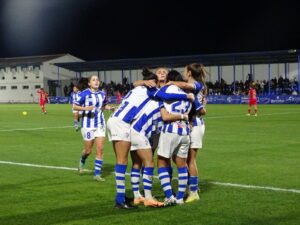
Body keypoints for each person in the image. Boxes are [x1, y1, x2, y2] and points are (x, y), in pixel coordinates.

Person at [107, 68, 194, 209]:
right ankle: (127, 199)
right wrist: (187, 97)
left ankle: (136, 196)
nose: (162, 75)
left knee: (136, 162)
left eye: (164, 73)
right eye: (159, 73)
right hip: (126, 124)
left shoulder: (146, 90)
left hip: (131, 125)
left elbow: (136, 85)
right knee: (135, 162)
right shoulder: (155, 92)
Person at [168, 63, 207, 203]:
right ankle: (190, 185)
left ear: (190, 72)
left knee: (190, 160)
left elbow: (202, 109)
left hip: (195, 125)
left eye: (185, 70)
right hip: (189, 125)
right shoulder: (192, 85)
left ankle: (194, 192)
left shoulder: (195, 85)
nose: (184, 72)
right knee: (181, 158)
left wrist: (171, 82)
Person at [156, 70, 194, 205]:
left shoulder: (166, 92)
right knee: (182, 166)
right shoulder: (187, 95)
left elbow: (165, 116)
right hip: (185, 133)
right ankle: (179, 199)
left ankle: (169, 196)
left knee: (161, 162)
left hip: (170, 131)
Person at [74, 75, 114, 182]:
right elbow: (75, 106)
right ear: (89, 83)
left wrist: (109, 107)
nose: (96, 82)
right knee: (88, 151)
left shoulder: (102, 94)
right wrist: (85, 108)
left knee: (100, 149)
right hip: (87, 125)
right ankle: (82, 161)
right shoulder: (84, 93)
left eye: (97, 80)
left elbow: (103, 106)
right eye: (93, 80)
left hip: (100, 124)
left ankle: (97, 174)